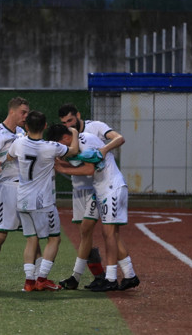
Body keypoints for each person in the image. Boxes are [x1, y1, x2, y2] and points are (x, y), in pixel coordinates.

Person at [52, 125, 139, 292]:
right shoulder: (82, 140)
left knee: (109, 234)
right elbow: (79, 159)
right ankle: (130, 275)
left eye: (60, 145)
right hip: (104, 189)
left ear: (65, 139)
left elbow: (89, 168)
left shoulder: (85, 141)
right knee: (109, 234)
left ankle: (111, 279)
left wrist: (63, 168)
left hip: (111, 188)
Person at [8, 114, 79, 292]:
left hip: (22, 199)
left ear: (26, 126)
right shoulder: (51, 147)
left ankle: (29, 282)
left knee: (31, 240)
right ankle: (42, 279)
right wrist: (75, 132)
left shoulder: (19, 143)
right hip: (42, 202)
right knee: (54, 238)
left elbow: (9, 158)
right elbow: (73, 150)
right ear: (45, 126)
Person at [0, 97, 30, 289]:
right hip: (7, 188)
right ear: (12, 112)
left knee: (32, 234)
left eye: (27, 113)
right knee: (1, 235)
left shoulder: (22, 132)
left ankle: (34, 278)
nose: (26, 116)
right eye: (23, 112)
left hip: (26, 187)